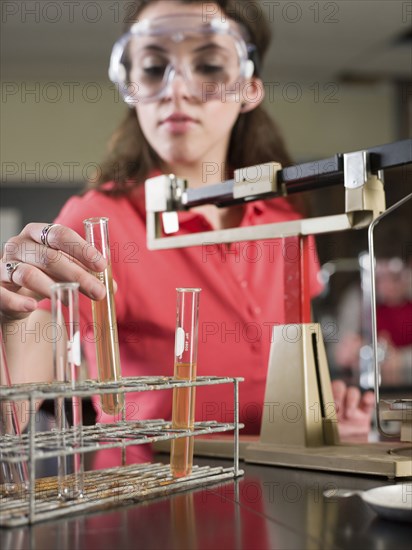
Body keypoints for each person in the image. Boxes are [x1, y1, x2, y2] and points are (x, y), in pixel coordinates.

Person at [0, 0, 374, 469]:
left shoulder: (285, 213)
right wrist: (11, 322)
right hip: (148, 506)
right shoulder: (99, 218)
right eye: (155, 67)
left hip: (275, 501)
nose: (178, 89)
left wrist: (325, 419)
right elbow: (11, 405)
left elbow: (279, 374)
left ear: (249, 87)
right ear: (131, 85)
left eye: (210, 65)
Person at [333, 256, 412, 390]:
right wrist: (351, 352)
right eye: (381, 278)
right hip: (374, 386)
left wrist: (401, 359)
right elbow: (339, 351)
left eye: (395, 278)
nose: (388, 284)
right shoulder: (361, 301)